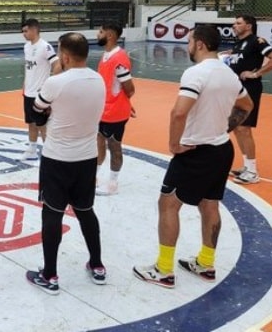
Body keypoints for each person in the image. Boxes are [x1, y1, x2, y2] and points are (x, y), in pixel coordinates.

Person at [133, 25, 254, 289]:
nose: (188, 46)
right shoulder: (229, 74)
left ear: (199, 44)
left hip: (195, 152)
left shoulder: (196, 73)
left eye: (189, 41)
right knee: (210, 205)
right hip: (222, 149)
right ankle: (206, 263)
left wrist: (174, 144)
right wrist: (226, 127)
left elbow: (178, 113)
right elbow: (247, 105)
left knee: (168, 204)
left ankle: (164, 269)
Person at [24, 32, 107, 294]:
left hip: (57, 157)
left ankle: (50, 275)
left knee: (52, 213)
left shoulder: (55, 83)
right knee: (85, 211)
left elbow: (37, 108)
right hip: (86, 157)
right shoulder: (98, 80)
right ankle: (97, 265)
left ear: (65, 55)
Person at [227, 14, 272, 184]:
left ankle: (252, 172)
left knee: (244, 128)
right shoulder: (238, 44)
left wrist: (256, 73)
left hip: (250, 89)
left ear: (249, 26)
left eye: (238, 23)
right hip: (236, 88)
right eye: (234, 23)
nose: (234, 26)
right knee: (237, 127)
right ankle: (246, 166)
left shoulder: (257, 41)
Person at [95, 22, 135, 196]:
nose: (98, 34)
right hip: (104, 110)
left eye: (101, 31)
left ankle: (113, 183)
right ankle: (93, 176)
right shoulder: (106, 56)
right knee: (99, 143)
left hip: (115, 113)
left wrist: (124, 104)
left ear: (110, 35)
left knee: (114, 146)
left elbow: (130, 88)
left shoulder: (119, 59)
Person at [21, 18, 59, 160]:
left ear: (34, 29)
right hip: (28, 92)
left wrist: (51, 84)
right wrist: (25, 83)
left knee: (42, 125)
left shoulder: (45, 47)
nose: (23, 34)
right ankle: (32, 150)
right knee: (31, 122)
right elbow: (28, 68)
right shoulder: (26, 47)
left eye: (25, 31)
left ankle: (48, 154)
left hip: (40, 94)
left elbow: (56, 64)